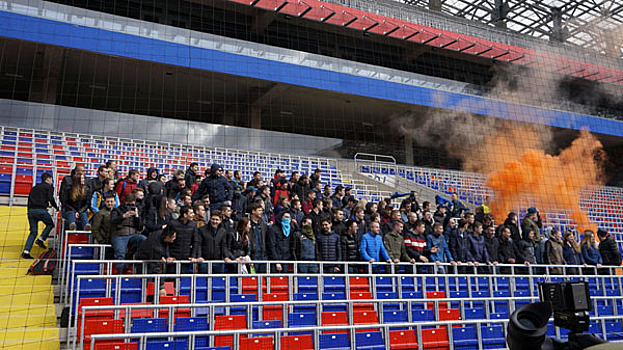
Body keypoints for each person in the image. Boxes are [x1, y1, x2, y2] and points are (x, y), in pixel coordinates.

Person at [22, 173, 58, 259]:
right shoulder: (49, 187)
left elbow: (29, 199)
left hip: (31, 211)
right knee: (50, 224)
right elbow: (50, 198)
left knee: (33, 232)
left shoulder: (34, 188)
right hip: (41, 210)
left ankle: (26, 251)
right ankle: (41, 239)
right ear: (48, 179)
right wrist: (56, 207)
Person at [135, 226, 177, 296]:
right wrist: (161, 286)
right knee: (148, 282)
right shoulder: (156, 246)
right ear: (167, 237)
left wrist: (167, 257)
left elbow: (165, 246)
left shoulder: (161, 235)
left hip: (152, 258)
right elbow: (155, 266)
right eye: (173, 237)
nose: (174, 239)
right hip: (144, 260)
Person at [110, 193, 146, 273]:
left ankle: (128, 260)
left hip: (133, 233)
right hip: (120, 234)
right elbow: (112, 222)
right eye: (128, 204)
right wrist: (123, 216)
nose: (130, 207)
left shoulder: (137, 210)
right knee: (120, 253)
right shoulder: (117, 210)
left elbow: (140, 227)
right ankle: (120, 272)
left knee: (143, 240)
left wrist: (136, 216)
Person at [168, 206, 199, 274]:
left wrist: (193, 256)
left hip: (186, 257)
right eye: (191, 213)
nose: (193, 215)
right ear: (185, 215)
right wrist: (168, 256)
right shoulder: (173, 223)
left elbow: (195, 241)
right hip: (173, 256)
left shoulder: (193, 224)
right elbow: (167, 240)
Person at [249, 204, 268, 272]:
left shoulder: (263, 225)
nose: (261, 212)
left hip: (263, 255)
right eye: (259, 210)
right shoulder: (248, 224)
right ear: (253, 211)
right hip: (253, 256)